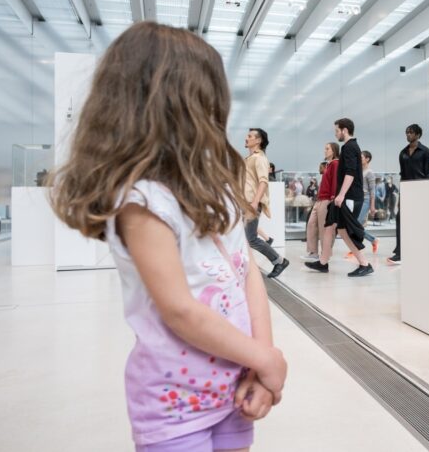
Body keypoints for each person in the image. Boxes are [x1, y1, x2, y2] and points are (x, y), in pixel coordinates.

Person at [49, 22, 286, 450]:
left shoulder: (219, 190)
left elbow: (247, 272)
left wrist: (260, 361)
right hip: (176, 408)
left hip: (237, 386)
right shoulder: (142, 203)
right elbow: (179, 309)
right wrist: (264, 358)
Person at [307, 119, 373, 277]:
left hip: (349, 197)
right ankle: (323, 262)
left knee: (343, 231)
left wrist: (341, 195)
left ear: (344, 130)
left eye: (337, 131)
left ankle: (364, 264)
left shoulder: (349, 147)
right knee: (329, 226)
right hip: (343, 197)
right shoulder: (349, 147)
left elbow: (350, 173)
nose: (336, 134)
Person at [244, 128, 290, 278]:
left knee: (251, 238)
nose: (246, 138)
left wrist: (255, 202)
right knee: (243, 237)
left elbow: (263, 182)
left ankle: (279, 261)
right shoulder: (249, 158)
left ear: (258, 140)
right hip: (245, 202)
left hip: (252, 203)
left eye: (250, 136)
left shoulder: (260, 158)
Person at [390, 124, 429, 265]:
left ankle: (421, 250)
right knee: (400, 219)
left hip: (421, 191)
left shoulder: (426, 152)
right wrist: (400, 196)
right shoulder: (402, 153)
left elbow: (428, 175)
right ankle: (400, 252)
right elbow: (402, 175)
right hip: (407, 191)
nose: (408, 135)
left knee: (420, 222)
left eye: (411, 132)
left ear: (418, 135)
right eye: (407, 132)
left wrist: (427, 195)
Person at [302, 145, 339, 263]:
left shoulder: (335, 163)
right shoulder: (328, 165)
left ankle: (325, 254)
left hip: (327, 199)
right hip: (319, 199)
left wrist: (333, 198)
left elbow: (335, 182)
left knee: (324, 228)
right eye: (325, 148)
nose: (325, 150)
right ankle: (313, 252)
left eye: (327, 148)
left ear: (334, 150)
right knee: (311, 224)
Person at [350, 150, 379, 254]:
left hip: (365, 201)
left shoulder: (369, 172)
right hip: (357, 200)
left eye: (361, 157)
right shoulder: (359, 171)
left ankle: (369, 242)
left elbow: (372, 190)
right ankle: (368, 243)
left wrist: (372, 206)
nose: (359, 159)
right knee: (356, 226)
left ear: (367, 159)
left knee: (356, 225)